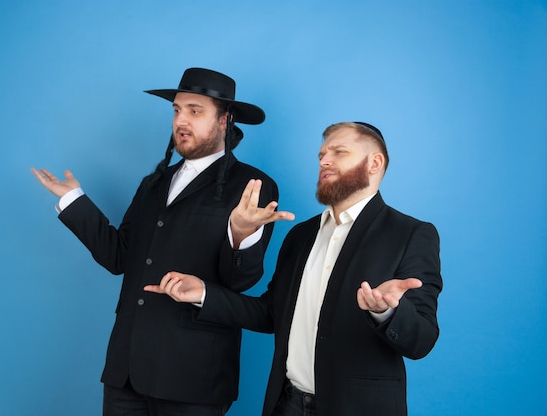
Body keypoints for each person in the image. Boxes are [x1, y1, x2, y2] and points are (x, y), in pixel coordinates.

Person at [31, 68, 294, 416]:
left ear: (224, 121)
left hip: (194, 377)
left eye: (195, 111)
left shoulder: (252, 185)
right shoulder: (153, 183)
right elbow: (117, 257)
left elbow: (239, 282)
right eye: (177, 110)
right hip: (126, 373)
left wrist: (241, 234)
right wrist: (74, 202)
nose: (181, 120)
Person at [145, 121, 443, 416]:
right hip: (286, 404)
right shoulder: (301, 235)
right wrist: (204, 293)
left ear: (374, 162)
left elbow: (422, 341)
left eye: (339, 152)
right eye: (321, 155)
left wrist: (387, 312)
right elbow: (271, 314)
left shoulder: (411, 234)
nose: (324, 160)